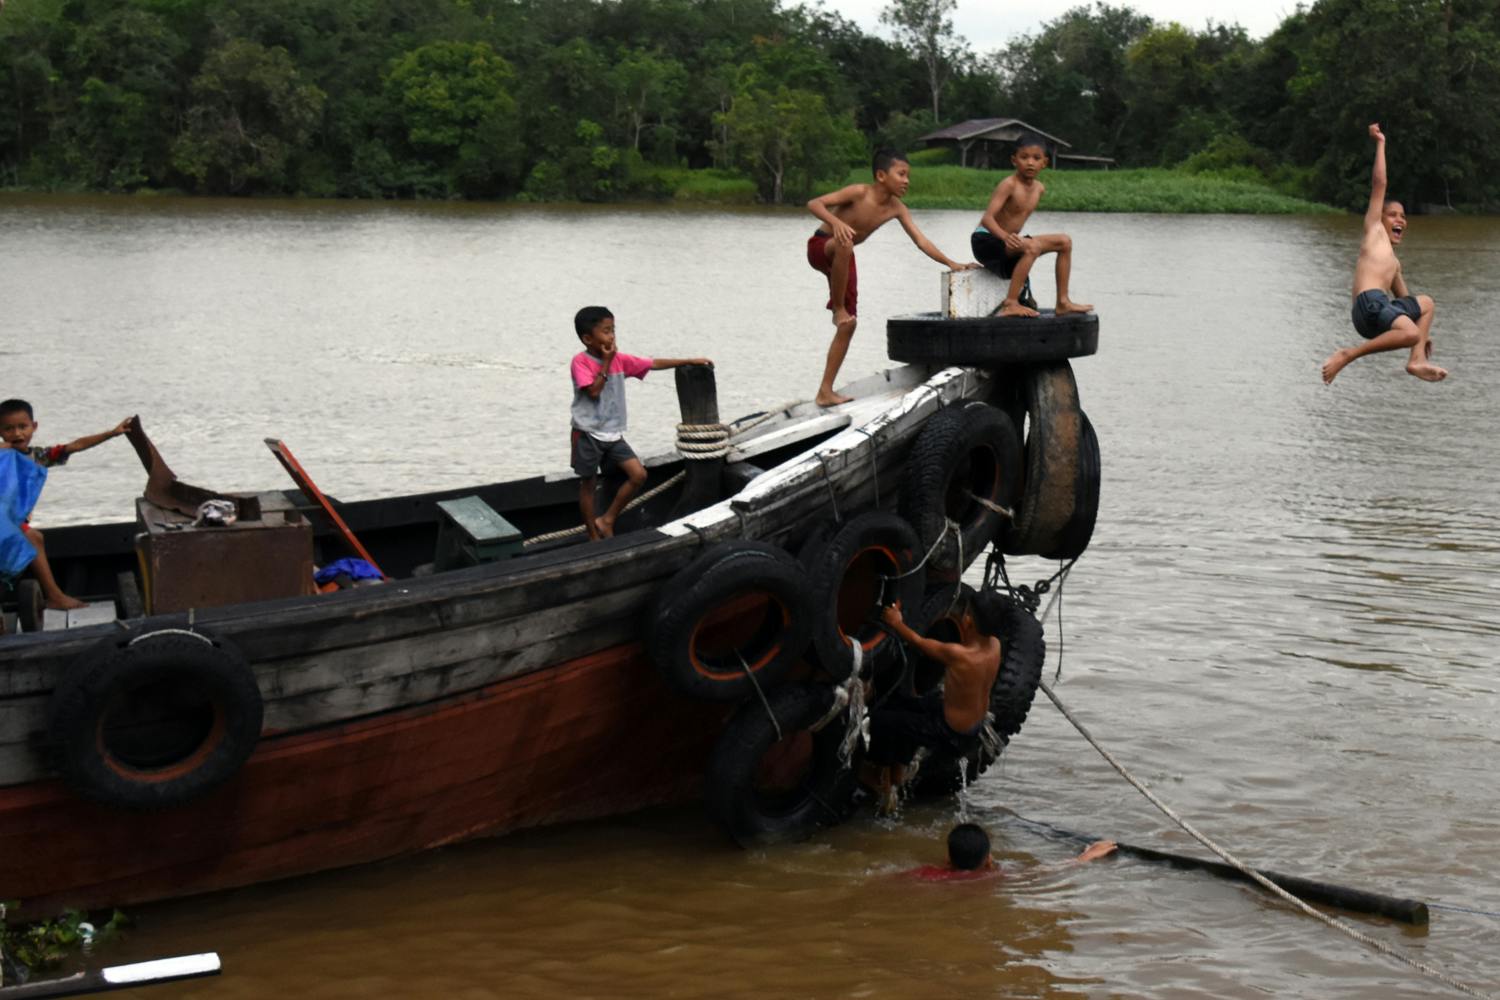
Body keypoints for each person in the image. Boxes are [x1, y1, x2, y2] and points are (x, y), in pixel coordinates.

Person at [806, 149, 979, 407]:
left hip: (844, 256)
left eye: (908, 176)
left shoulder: (896, 208)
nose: (906, 181)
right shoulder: (859, 192)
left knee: (849, 324)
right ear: (881, 175)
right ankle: (838, 308)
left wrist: (952, 263)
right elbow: (814, 204)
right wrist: (836, 222)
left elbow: (920, 240)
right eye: (901, 174)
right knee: (845, 243)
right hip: (822, 247)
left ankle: (825, 391)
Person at [570, 307, 711, 541]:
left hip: (613, 434)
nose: (612, 336)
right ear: (588, 338)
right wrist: (606, 363)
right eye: (606, 331)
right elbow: (593, 391)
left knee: (638, 475)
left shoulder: (620, 360)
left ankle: (607, 519)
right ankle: (593, 536)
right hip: (588, 433)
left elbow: (652, 363)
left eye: (613, 330)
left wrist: (688, 360)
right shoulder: (581, 362)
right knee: (588, 484)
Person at [1322, 124, 1446, 385]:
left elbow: (1407, 301)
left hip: (1380, 311)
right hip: (1368, 305)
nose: (1400, 219)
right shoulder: (1374, 230)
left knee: (1426, 304)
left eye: (1403, 216)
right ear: (1380, 218)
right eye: (1393, 215)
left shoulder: (1394, 263)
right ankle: (1348, 355)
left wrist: (1422, 336)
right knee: (1410, 332)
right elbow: (1380, 183)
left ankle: (1416, 360)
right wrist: (1380, 142)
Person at [864, 591, 1005, 815]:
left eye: (965, 612)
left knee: (881, 720)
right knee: (903, 703)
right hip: (969, 725)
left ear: (968, 621)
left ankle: (880, 777)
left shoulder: (959, 654)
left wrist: (896, 622)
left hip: (950, 732)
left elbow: (918, 642)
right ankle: (898, 769)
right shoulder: (995, 645)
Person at [0, 399, 133, 610]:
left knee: (29, 542)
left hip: (11, 524)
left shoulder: (38, 457)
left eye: (22, 427)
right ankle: (55, 596)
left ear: (34, 427)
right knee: (34, 538)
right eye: (9, 429)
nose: (17, 433)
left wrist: (112, 433)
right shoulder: (2, 454)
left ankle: (51, 596)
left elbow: (75, 446)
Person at [971, 134, 1092, 319]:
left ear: (1044, 163)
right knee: (1032, 247)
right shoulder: (1009, 185)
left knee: (1064, 242)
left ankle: (1063, 302)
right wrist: (1005, 237)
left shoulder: (1039, 188)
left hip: (1009, 243)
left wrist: (1012, 240)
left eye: (1036, 158)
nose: (1030, 163)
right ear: (1014, 160)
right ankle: (1011, 303)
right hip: (986, 241)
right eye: (1024, 157)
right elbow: (987, 218)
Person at [908, 823, 1118, 881]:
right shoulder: (995, 878)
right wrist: (1087, 855)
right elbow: (1048, 870)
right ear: (988, 860)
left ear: (947, 859)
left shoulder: (927, 874)